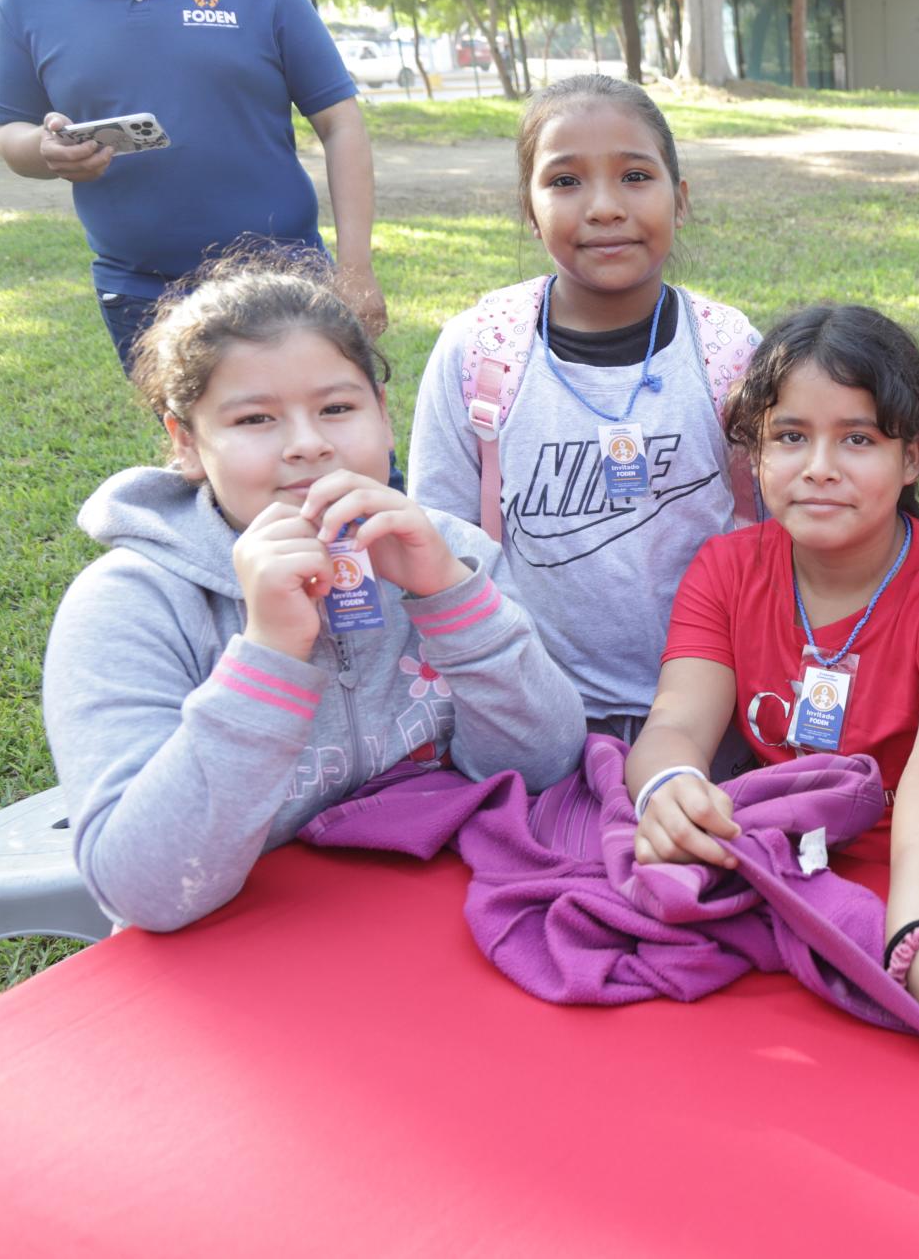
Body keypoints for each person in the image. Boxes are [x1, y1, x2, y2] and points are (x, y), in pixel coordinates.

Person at [42, 258, 584, 931]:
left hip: (439, 922)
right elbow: (145, 890)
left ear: (384, 416)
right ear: (185, 442)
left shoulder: (446, 551)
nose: (307, 444)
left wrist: (450, 597)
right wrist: (268, 652)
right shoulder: (129, 605)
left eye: (336, 407)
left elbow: (546, 764)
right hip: (239, 962)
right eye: (254, 419)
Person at [625, 305, 919, 1093]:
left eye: (857, 438)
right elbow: (676, 723)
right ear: (755, 454)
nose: (819, 465)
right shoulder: (724, 571)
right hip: (800, 867)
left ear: (911, 457)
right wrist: (668, 788)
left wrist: (918, 937)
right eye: (790, 436)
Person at [408, 75, 758, 738]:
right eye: (565, 181)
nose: (603, 207)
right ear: (528, 208)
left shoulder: (729, 351)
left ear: (680, 200)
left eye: (635, 175)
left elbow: (781, 530)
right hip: (527, 722)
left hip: (714, 719)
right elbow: (440, 543)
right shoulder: (480, 352)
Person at [0, 0, 385, 372]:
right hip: (142, 295)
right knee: (206, 443)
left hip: (287, 279)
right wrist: (45, 149)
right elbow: (9, 130)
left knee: (336, 437)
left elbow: (340, 122)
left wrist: (355, 272)